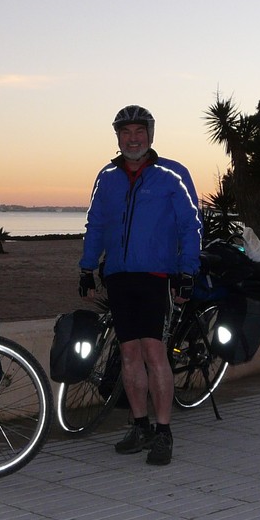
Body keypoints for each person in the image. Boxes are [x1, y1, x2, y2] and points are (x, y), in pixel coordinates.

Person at [78, 104, 201, 466]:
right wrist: (87, 267)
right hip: (118, 275)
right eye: (126, 132)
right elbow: (96, 225)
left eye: (139, 131)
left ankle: (164, 432)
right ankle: (140, 425)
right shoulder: (107, 177)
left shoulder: (172, 174)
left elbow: (190, 226)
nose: (133, 139)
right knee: (129, 354)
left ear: (150, 134)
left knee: (154, 352)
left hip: (157, 277)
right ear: (118, 137)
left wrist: (187, 271)